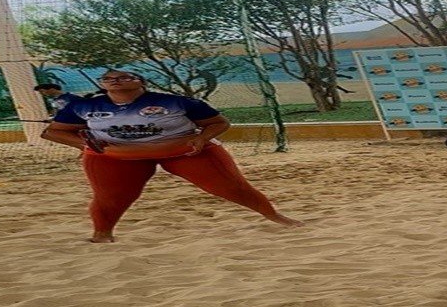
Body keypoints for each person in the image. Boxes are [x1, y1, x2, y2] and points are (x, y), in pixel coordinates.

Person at [41, 69, 301, 242]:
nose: (115, 80)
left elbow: (219, 123)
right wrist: (85, 144)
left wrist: (202, 138)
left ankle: (276, 217)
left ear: (140, 82)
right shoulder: (84, 106)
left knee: (232, 188)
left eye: (124, 77)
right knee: (111, 198)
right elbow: (53, 132)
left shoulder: (176, 101)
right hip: (116, 155)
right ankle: (102, 234)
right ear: (102, 84)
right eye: (108, 78)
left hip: (183, 150)